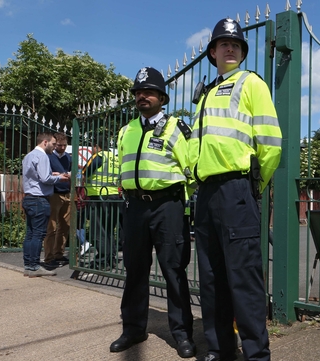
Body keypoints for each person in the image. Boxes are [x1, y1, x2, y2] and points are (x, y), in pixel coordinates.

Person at [192, 18, 282, 361]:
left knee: (244, 278)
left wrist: (254, 185)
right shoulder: (205, 95)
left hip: (236, 189)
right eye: (223, 43)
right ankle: (219, 348)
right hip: (206, 193)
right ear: (213, 52)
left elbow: (271, 143)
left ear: (242, 53)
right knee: (211, 277)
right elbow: (196, 149)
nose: (230, 47)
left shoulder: (251, 84)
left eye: (236, 44)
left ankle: (257, 354)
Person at [111, 66, 195, 359]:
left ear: (162, 97)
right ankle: (133, 329)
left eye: (148, 92)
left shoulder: (178, 128)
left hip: (167, 206)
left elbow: (193, 169)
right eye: (137, 92)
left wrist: (180, 200)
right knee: (134, 270)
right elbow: (122, 166)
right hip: (135, 207)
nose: (141, 96)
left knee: (173, 270)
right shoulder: (126, 130)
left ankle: (182, 333)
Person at [21, 133, 70, 277]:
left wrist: (51, 174)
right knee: (39, 234)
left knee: (30, 234)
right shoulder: (42, 156)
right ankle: (34, 266)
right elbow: (45, 178)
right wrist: (59, 177)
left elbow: (36, 175)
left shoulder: (29, 155)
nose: (55, 147)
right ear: (45, 142)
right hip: (39, 199)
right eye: (53, 144)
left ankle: (28, 265)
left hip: (29, 197)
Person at [83, 135, 121, 270]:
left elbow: (84, 173)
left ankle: (102, 261)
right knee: (109, 230)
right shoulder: (114, 158)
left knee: (98, 232)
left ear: (95, 146)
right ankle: (111, 259)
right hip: (114, 197)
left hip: (99, 197)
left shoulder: (98, 157)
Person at [41, 133, 72, 268]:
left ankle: (59, 253)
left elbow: (71, 172)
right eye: (60, 145)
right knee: (51, 227)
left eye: (65, 145)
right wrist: (58, 175)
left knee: (65, 226)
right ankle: (49, 257)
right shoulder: (48, 157)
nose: (63, 147)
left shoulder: (68, 158)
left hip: (67, 193)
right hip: (54, 194)